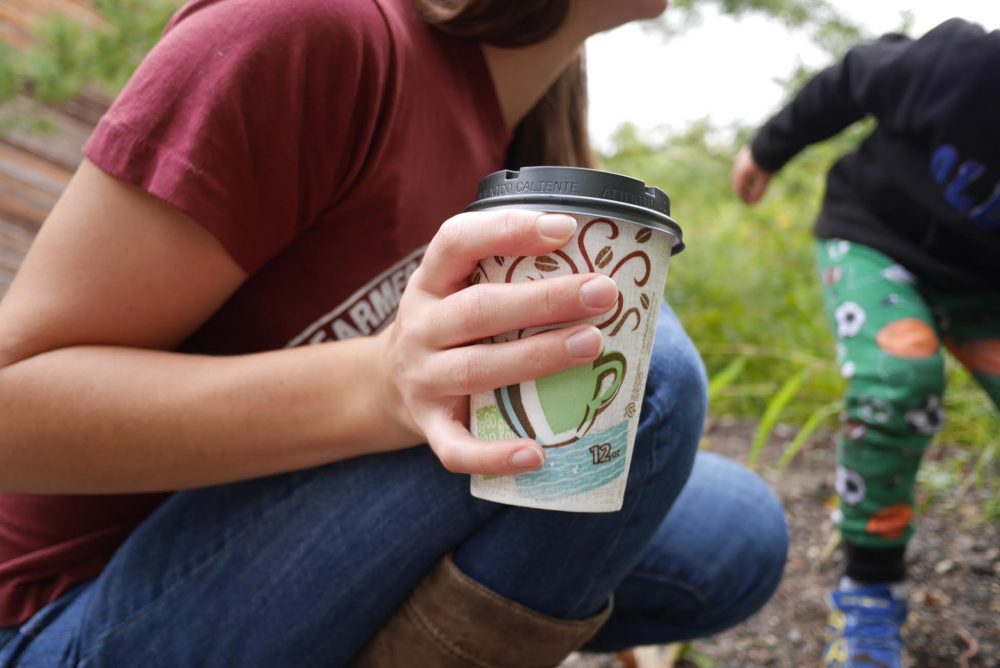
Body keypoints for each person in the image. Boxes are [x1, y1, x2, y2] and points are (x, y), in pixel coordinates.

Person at [0, 0, 789, 665]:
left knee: (734, 536)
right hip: (58, 615)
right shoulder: (308, 33)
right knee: (649, 383)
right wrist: (381, 385)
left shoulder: (520, 144)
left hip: (279, 539)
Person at [731, 16, 1000, 668]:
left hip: (984, 288)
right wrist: (768, 149)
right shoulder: (963, 65)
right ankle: (869, 589)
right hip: (877, 239)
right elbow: (853, 76)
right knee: (900, 376)